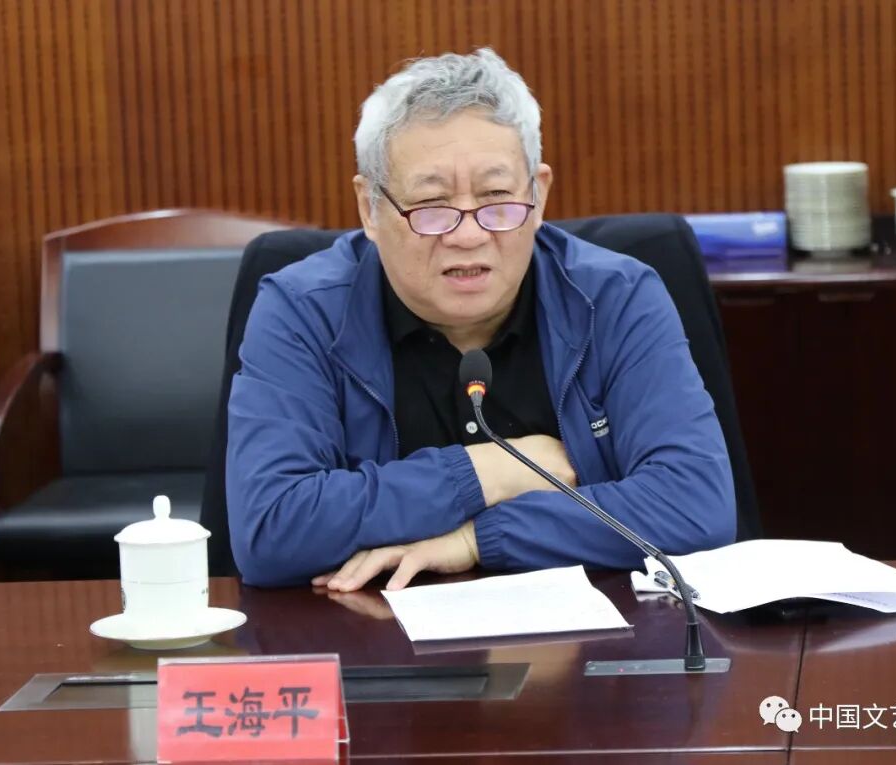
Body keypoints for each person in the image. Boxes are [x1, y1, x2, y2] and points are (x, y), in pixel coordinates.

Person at [226, 48, 735, 590]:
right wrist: (490, 471)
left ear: (538, 196)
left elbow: (695, 507)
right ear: (369, 208)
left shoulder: (615, 298)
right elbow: (271, 528)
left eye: (496, 198)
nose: (469, 235)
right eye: (431, 205)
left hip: (592, 632)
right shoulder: (303, 311)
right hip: (367, 629)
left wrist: (478, 539)